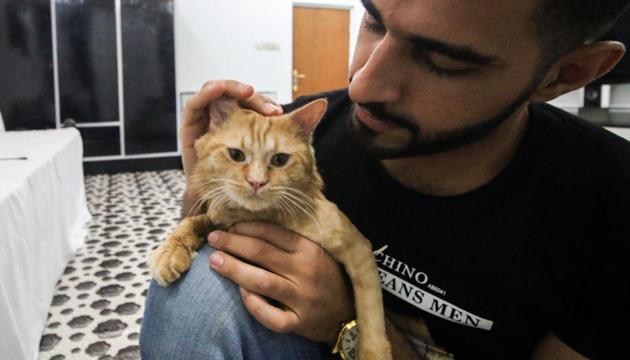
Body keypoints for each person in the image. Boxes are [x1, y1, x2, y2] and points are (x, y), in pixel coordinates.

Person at [139, 0, 630, 358]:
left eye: (444, 60)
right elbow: (214, 232)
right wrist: (201, 177)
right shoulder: (301, 137)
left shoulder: (610, 208)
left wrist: (343, 321)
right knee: (197, 291)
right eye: (373, 20)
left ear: (565, 73)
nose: (362, 85)